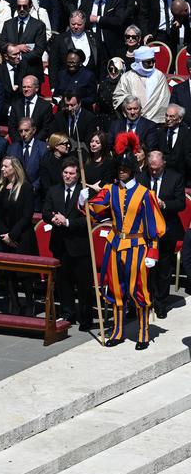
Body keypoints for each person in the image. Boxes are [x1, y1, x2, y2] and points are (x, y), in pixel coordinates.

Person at [79, 144, 166, 349]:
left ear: (132, 170)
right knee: (117, 290)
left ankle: (143, 333)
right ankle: (118, 332)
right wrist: (85, 200)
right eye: (119, 169)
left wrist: (152, 251)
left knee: (139, 291)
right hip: (115, 244)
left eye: (125, 169)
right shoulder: (110, 190)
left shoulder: (146, 194)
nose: (121, 172)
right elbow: (96, 213)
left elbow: (153, 225)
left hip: (137, 246)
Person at [43, 160, 94, 332]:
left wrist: (67, 222)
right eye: (65, 173)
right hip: (60, 244)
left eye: (71, 173)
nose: (67, 176)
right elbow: (45, 211)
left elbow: (88, 219)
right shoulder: (54, 190)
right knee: (63, 282)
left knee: (83, 284)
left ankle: (86, 317)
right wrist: (53, 218)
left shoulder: (85, 193)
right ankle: (67, 313)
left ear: (77, 175)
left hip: (80, 245)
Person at [136, 151, 185, 319]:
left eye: (157, 168)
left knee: (163, 269)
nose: (154, 171)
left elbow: (181, 203)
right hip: (145, 230)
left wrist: (164, 205)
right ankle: (145, 299)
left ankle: (161, 302)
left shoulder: (175, 177)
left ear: (163, 163)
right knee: (146, 267)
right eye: (151, 168)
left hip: (167, 229)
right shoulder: (141, 177)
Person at [0, 157, 38, 315]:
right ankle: (14, 304)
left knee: (25, 274)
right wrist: (4, 234)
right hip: (3, 236)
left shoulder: (25, 187)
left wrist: (12, 235)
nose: (2, 169)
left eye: (5, 166)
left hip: (22, 237)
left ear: (14, 168)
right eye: (2, 166)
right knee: (7, 273)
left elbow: (27, 215)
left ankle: (30, 304)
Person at [112, 46, 170, 124]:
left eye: (153, 61)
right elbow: (117, 97)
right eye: (148, 62)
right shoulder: (127, 77)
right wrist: (130, 101)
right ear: (139, 62)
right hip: (132, 121)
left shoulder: (159, 76)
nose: (152, 64)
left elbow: (164, 100)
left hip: (155, 123)